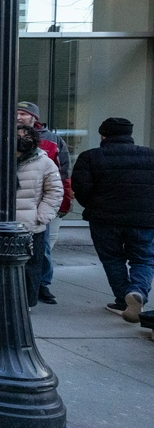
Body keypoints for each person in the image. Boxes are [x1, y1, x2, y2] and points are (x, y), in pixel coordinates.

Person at [72, 117, 154, 322]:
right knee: (143, 258)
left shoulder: (90, 157)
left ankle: (123, 300)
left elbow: (80, 187)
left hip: (104, 219)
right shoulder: (150, 155)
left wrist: (93, 205)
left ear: (103, 135)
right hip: (142, 218)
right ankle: (137, 291)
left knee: (112, 259)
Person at [17, 101, 71, 304]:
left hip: (34, 219)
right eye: (16, 113)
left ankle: (39, 288)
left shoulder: (48, 151)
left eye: (23, 113)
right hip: (9, 220)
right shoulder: (3, 154)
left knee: (39, 256)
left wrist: (43, 215)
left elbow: (58, 184)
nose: (19, 117)